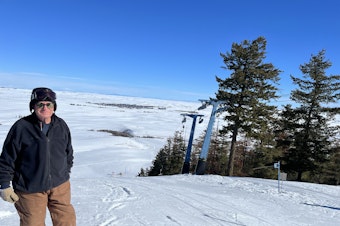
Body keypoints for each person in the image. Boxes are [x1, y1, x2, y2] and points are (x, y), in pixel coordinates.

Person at [0, 87, 76, 226]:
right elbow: (7, 158)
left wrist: (64, 173)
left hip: (60, 186)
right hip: (30, 188)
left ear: (54, 106)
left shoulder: (61, 125)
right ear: (33, 106)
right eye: (40, 104)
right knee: (32, 223)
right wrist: (5, 184)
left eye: (49, 104)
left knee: (67, 221)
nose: (45, 107)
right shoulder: (21, 127)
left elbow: (68, 152)